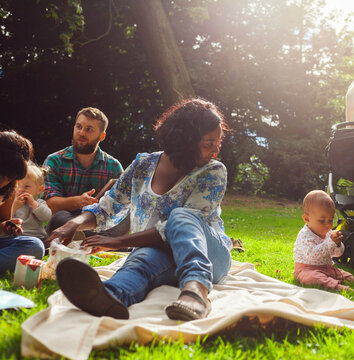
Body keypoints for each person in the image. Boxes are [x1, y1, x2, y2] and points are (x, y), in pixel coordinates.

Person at [48, 98, 232, 321]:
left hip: (210, 256)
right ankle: (109, 297)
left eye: (218, 142)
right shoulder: (143, 165)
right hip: (160, 251)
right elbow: (108, 207)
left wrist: (118, 241)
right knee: (141, 259)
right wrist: (72, 224)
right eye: (209, 143)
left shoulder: (213, 172)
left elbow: (173, 229)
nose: (216, 150)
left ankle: (197, 289)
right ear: (186, 141)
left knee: (180, 217)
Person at [43, 107, 124, 234]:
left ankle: (88, 238)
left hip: (98, 222)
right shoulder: (54, 160)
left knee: (124, 223)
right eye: (78, 127)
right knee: (59, 218)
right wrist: (79, 201)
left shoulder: (114, 166)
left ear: (102, 136)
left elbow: (122, 207)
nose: (81, 133)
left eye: (89, 129)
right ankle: (97, 239)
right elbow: (50, 204)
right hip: (64, 222)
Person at [0, 131, 45, 274]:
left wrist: (5, 227)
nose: (4, 182)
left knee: (35, 246)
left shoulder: (9, 188)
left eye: (10, 177)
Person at [293, 190, 354, 292]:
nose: (328, 225)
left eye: (330, 220)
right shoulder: (304, 235)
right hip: (307, 269)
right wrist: (330, 243)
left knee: (349, 277)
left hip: (327, 268)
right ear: (307, 219)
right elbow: (313, 255)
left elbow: (337, 255)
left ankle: (327, 278)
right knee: (312, 278)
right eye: (322, 221)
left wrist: (338, 244)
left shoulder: (329, 233)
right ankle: (336, 286)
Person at [11, 162, 52, 243]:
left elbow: (46, 217)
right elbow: (5, 218)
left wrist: (33, 204)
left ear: (39, 190)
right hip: (16, 237)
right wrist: (14, 206)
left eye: (27, 186)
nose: (21, 189)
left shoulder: (39, 203)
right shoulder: (11, 203)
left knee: (45, 243)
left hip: (37, 237)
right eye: (17, 186)